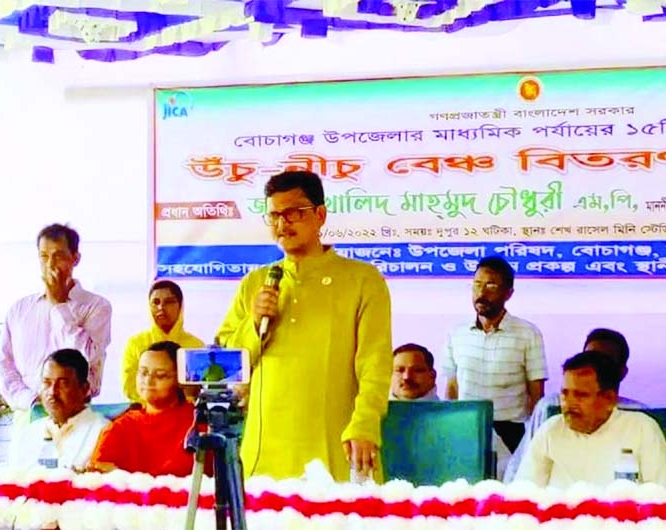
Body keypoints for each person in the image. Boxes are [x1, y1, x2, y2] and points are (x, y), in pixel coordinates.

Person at [217, 170, 392, 482]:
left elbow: (375, 364)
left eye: (294, 213)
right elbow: (230, 365)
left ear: (320, 215)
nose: (283, 223)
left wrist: (365, 423)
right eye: (274, 216)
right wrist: (254, 322)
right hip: (266, 447)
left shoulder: (363, 280)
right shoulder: (256, 283)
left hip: (336, 438)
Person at [0, 223, 112, 424]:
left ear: (75, 258)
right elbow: (2, 364)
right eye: (44, 256)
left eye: (58, 255)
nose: (50, 264)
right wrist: (29, 399)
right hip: (28, 414)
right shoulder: (20, 309)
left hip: (77, 415)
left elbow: (87, 358)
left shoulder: (96, 306)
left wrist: (59, 305)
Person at [514, 351, 666, 488]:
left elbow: (663, 500)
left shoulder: (642, 428)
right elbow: (523, 495)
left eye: (581, 395)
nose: (569, 403)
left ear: (609, 399)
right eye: (565, 393)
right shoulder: (550, 430)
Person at [504, 328, 644, 481]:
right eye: (588, 358)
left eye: (604, 362)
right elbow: (519, 476)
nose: (594, 367)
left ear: (622, 372)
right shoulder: (548, 412)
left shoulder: (641, 420)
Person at [443, 255, 547, 454]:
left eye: (490, 286)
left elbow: (536, 393)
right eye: (476, 284)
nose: (481, 293)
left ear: (508, 293)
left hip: (512, 432)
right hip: (466, 427)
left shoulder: (528, 333)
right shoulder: (456, 333)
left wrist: (534, 439)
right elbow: (452, 387)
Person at [390, 343, 512, 479]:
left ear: (432, 376)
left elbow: (507, 470)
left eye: (417, 370)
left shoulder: (468, 422)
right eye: (399, 370)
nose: (407, 377)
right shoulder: (373, 422)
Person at [89, 341, 197, 476]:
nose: (148, 381)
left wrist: (124, 477)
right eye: (143, 373)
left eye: (160, 375)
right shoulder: (122, 426)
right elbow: (98, 471)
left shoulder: (197, 423)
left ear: (181, 380)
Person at [10, 349, 110, 470]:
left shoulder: (104, 432)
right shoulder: (27, 435)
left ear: (84, 389)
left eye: (63, 384)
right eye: (47, 383)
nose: (52, 392)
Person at [122, 280, 204, 402]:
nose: (161, 307)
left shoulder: (196, 347)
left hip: (186, 415)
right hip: (146, 413)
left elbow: (199, 389)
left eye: (169, 302)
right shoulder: (136, 343)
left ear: (180, 306)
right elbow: (129, 388)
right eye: (155, 302)